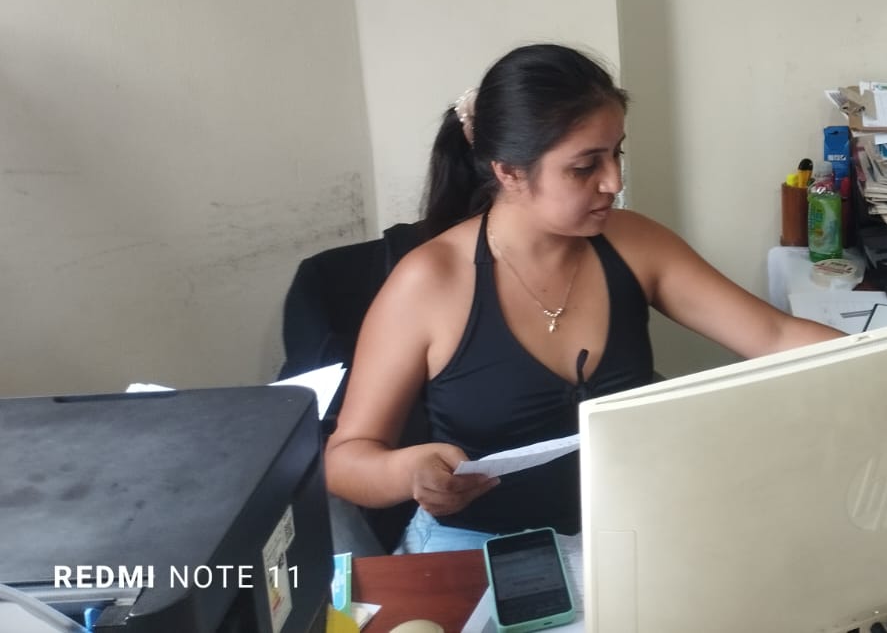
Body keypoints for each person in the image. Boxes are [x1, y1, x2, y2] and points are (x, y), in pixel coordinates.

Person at [325, 43, 840, 552]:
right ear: (508, 171)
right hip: (476, 546)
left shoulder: (633, 242)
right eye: (584, 166)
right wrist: (409, 471)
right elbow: (345, 459)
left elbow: (774, 335)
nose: (614, 181)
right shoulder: (430, 281)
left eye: (616, 153)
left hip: (623, 533)